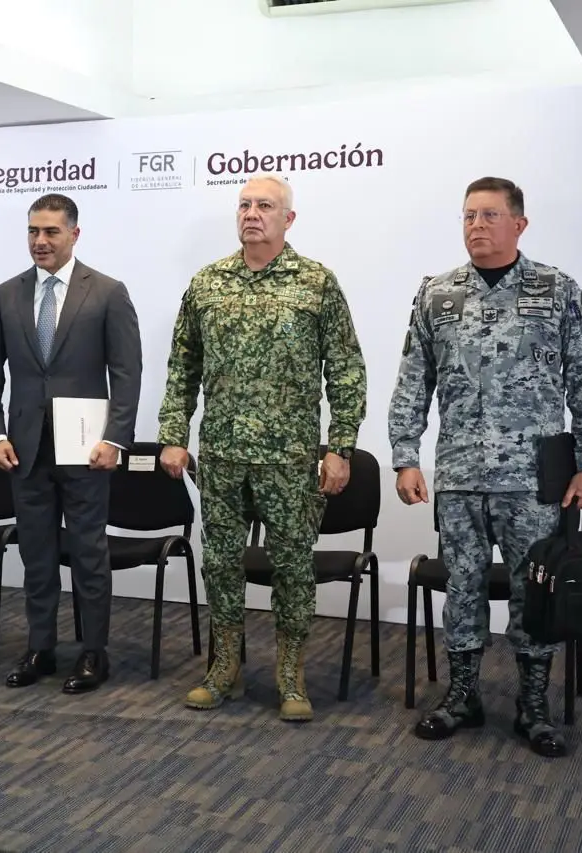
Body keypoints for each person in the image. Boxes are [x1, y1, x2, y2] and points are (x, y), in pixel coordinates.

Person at [388, 176, 582, 757]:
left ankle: (532, 705)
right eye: (468, 216)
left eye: (489, 215)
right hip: (460, 477)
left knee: (532, 593)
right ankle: (463, 695)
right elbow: (414, 381)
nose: (476, 226)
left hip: (534, 482)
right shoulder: (437, 296)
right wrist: (405, 457)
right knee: (461, 588)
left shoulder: (556, 290)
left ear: (519, 223)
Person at [157, 173, 367, 722]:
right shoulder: (208, 283)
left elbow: (345, 371)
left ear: (288, 219)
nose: (252, 213)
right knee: (221, 565)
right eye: (245, 205)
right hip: (222, 457)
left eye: (266, 206)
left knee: (292, 568)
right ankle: (223, 667)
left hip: (290, 459)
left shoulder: (316, 283)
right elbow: (183, 368)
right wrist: (173, 437)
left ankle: (291, 674)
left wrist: (340, 445)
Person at [0, 193, 142, 693]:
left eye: (50, 232)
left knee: (89, 553)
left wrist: (116, 439)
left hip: (87, 450)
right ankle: (40, 648)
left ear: (74, 234)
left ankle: (93, 652)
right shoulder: (6, 294)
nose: (40, 241)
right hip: (23, 449)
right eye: (32, 232)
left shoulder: (108, 292)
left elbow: (126, 373)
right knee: (38, 555)